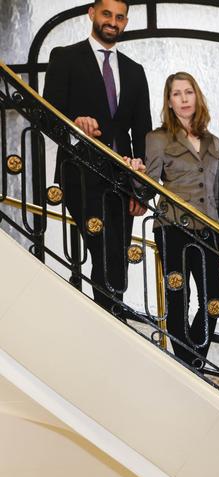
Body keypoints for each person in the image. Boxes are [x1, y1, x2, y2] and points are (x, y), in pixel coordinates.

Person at [43, 0, 151, 314]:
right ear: (92, 14)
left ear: (125, 22)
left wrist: (140, 187)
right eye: (106, 14)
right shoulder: (65, 58)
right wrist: (74, 124)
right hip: (81, 175)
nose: (112, 22)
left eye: (119, 17)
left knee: (117, 259)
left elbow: (142, 133)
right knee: (106, 252)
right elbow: (47, 117)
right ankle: (115, 320)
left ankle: (110, 319)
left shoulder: (134, 71)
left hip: (122, 181)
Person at [133, 72, 219, 367]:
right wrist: (136, 173)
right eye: (176, 94)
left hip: (208, 230)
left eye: (188, 92)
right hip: (173, 228)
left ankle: (192, 362)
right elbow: (148, 188)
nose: (184, 99)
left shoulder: (214, 142)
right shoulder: (157, 139)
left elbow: (217, 192)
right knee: (178, 298)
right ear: (169, 102)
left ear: (197, 97)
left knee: (214, 303)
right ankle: (187, 366)